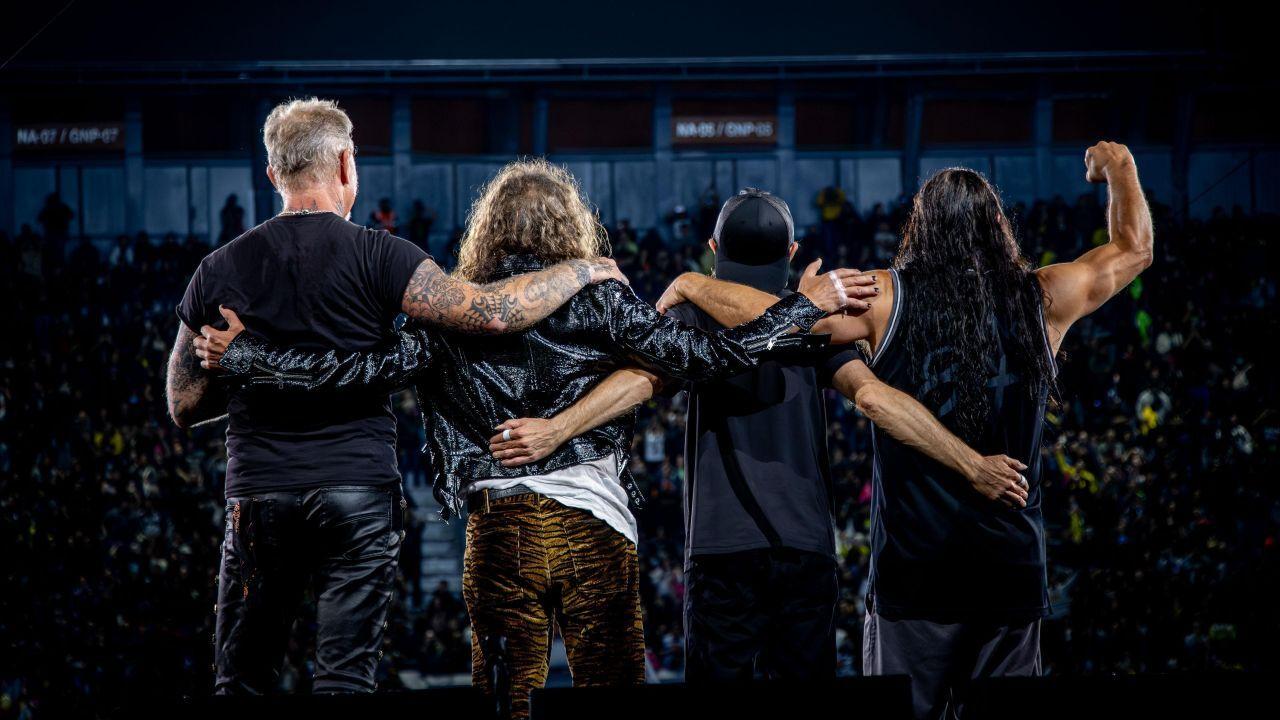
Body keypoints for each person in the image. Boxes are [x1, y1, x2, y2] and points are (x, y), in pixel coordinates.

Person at [189, 159, 874, 717]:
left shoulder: (452, 312)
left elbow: (358, 372)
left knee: (506, 705)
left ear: (488, 228)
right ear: (570, 224)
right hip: (594, 523)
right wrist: (798, 312)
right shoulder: (602, 295)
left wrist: (249, 356)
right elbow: (706, 358)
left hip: (500, 526)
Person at [647, 142, 1154, 718]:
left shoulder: (882, 297)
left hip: (915, 574)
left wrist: (693, 284)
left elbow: (773, 321)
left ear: (920, 226)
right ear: (998, 226)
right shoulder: (1046, 296)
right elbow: (1134, 250)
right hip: (1010, 570)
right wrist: (1120, 166)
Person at [164, 98, 626, 695]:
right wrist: (582, 270)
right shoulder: (382, 255)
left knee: (242, 681)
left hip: (259, 493)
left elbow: (183, 405)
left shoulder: (218, 269)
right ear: (345, 163)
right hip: (356, 493)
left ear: (273, 173)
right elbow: (490, 313)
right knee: (345, 678)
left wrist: (248, 367)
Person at [497, 189, 1030, 684]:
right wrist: (972, 464)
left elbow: (642, 381)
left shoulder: (698, 311)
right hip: (807, 547)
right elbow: (872, 395)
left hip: (720, 547)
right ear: (792, 251)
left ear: (714, 249)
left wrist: (556, 429)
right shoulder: (814, 320)